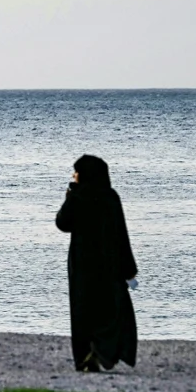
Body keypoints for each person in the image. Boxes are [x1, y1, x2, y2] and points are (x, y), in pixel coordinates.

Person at [55, 154, 138, 372]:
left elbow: (62, 223)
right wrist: (129, 269)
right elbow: (122, 235)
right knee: (109, 311)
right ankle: (105, 352)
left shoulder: (78, 196)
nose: (73, 176)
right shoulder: (110, 197)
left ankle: (85, 357)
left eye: (76, 172)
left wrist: (69, 197)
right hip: (109, 265)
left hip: (83, 266)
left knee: (83, 312)